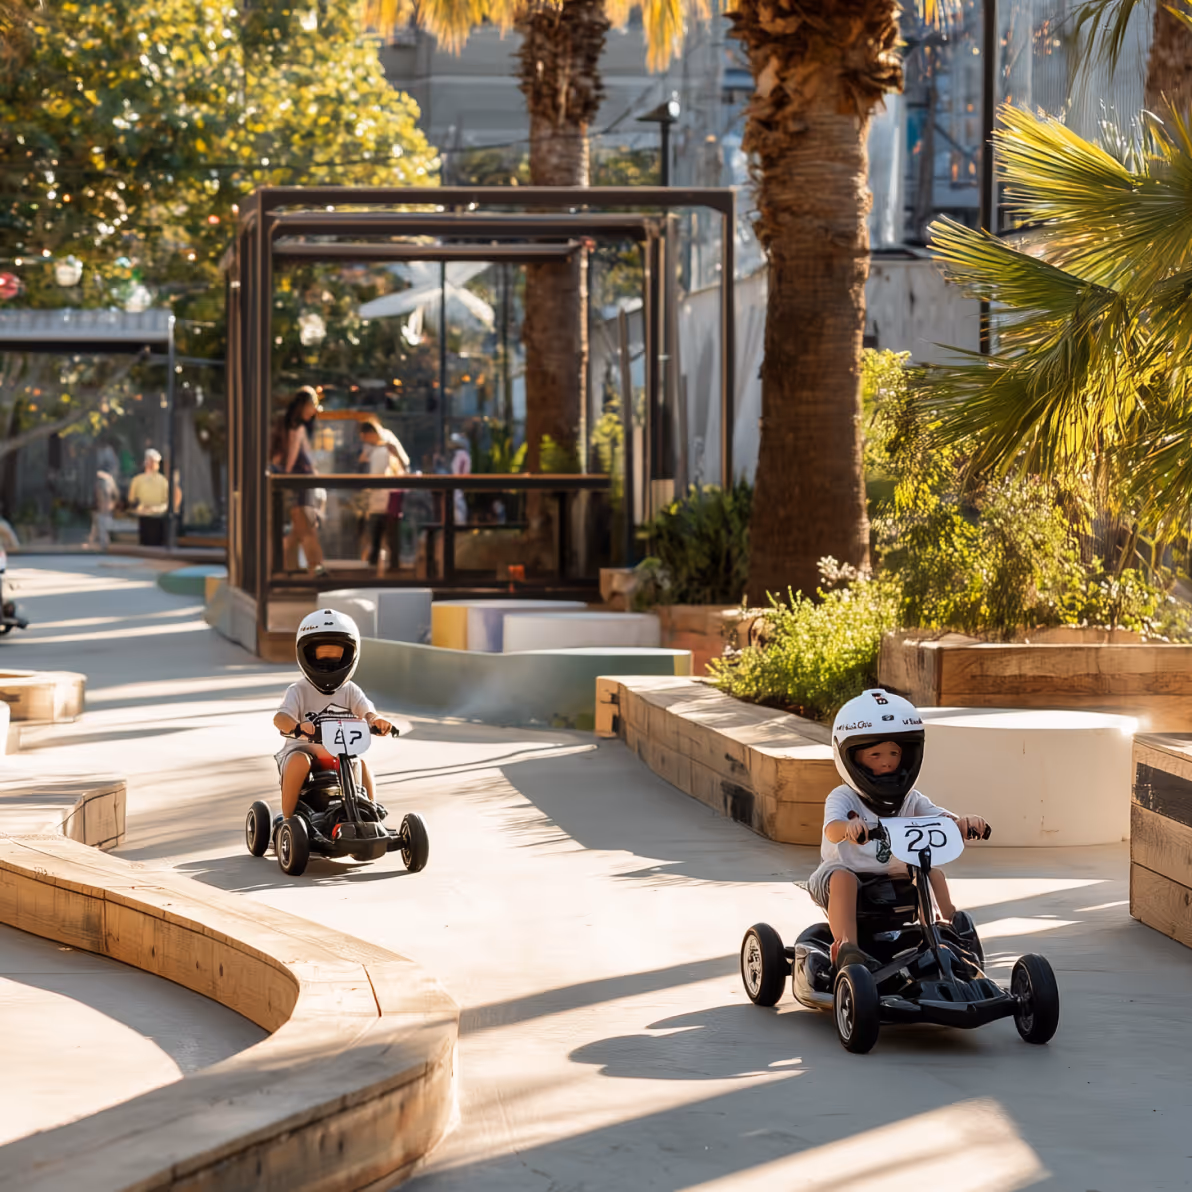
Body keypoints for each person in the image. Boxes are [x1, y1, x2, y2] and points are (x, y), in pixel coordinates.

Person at [807, 689, 988, 972]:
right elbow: (831, 830)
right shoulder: (843, 797)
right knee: (843, 879)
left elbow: (940, 816)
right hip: (840, 876)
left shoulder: (910, 799)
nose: (887, 761)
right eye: (875, 754)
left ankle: (947, 931)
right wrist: (848, 828)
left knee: (931, 873)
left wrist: (963, 823)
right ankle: (848, 949)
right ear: (852, 758)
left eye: (894, 753)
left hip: (892, 876)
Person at [272, 609, 392, 823]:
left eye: (336, 654)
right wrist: (297, 727)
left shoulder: (351, 690)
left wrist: (376, 722)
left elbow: (368, 712)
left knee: (360, 764)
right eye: (322, 653)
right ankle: (289, 820)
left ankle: (370, 814)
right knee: (299, 761)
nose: (328, 660)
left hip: (341, 756)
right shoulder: (298, 690)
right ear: (306, 654)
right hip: (303, 754)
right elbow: (280, 719)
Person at [279, 387, 327, 578]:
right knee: (306, 527)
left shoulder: (299, 428)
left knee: (300, 529)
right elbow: (293, 456)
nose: (313, 410)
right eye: (311, 406)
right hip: (300, 482)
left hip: (303, 482)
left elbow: (300, 456)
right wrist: (287, 475)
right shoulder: (297, 428)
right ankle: (315, 569)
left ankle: (289, 570)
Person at [358, 419, 409, 576]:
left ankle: (394, 566)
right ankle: (375, 565)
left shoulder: (388, 443)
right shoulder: (372, 448)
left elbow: (405, 463)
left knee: (390, 532)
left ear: (371, 433)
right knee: (376, 531)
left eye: (366, 437)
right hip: (375, 495)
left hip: (390, 493)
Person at [128, 448, 169, 546]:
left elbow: (167, 503)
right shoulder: (137, 481)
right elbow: (131, 500)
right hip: (143, 518)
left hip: (158, 519)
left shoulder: (163, 482)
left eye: (154, 462)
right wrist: (140, 508)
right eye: (149, 461)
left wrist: (157, 509)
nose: (151, 465)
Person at [88, 469, 119, 550]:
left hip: (104, 508)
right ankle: (95, 542)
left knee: (103, 525)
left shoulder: (105, 482)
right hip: (103, 508)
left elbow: (111, 495)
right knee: (98, 524)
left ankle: (103, 543)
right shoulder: (106, 482)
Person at [449, 432, 470, 525]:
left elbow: (464, 471)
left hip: (459, 487)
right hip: (457, 487)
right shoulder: (457, 455)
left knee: (459, 508)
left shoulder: (462, 455)